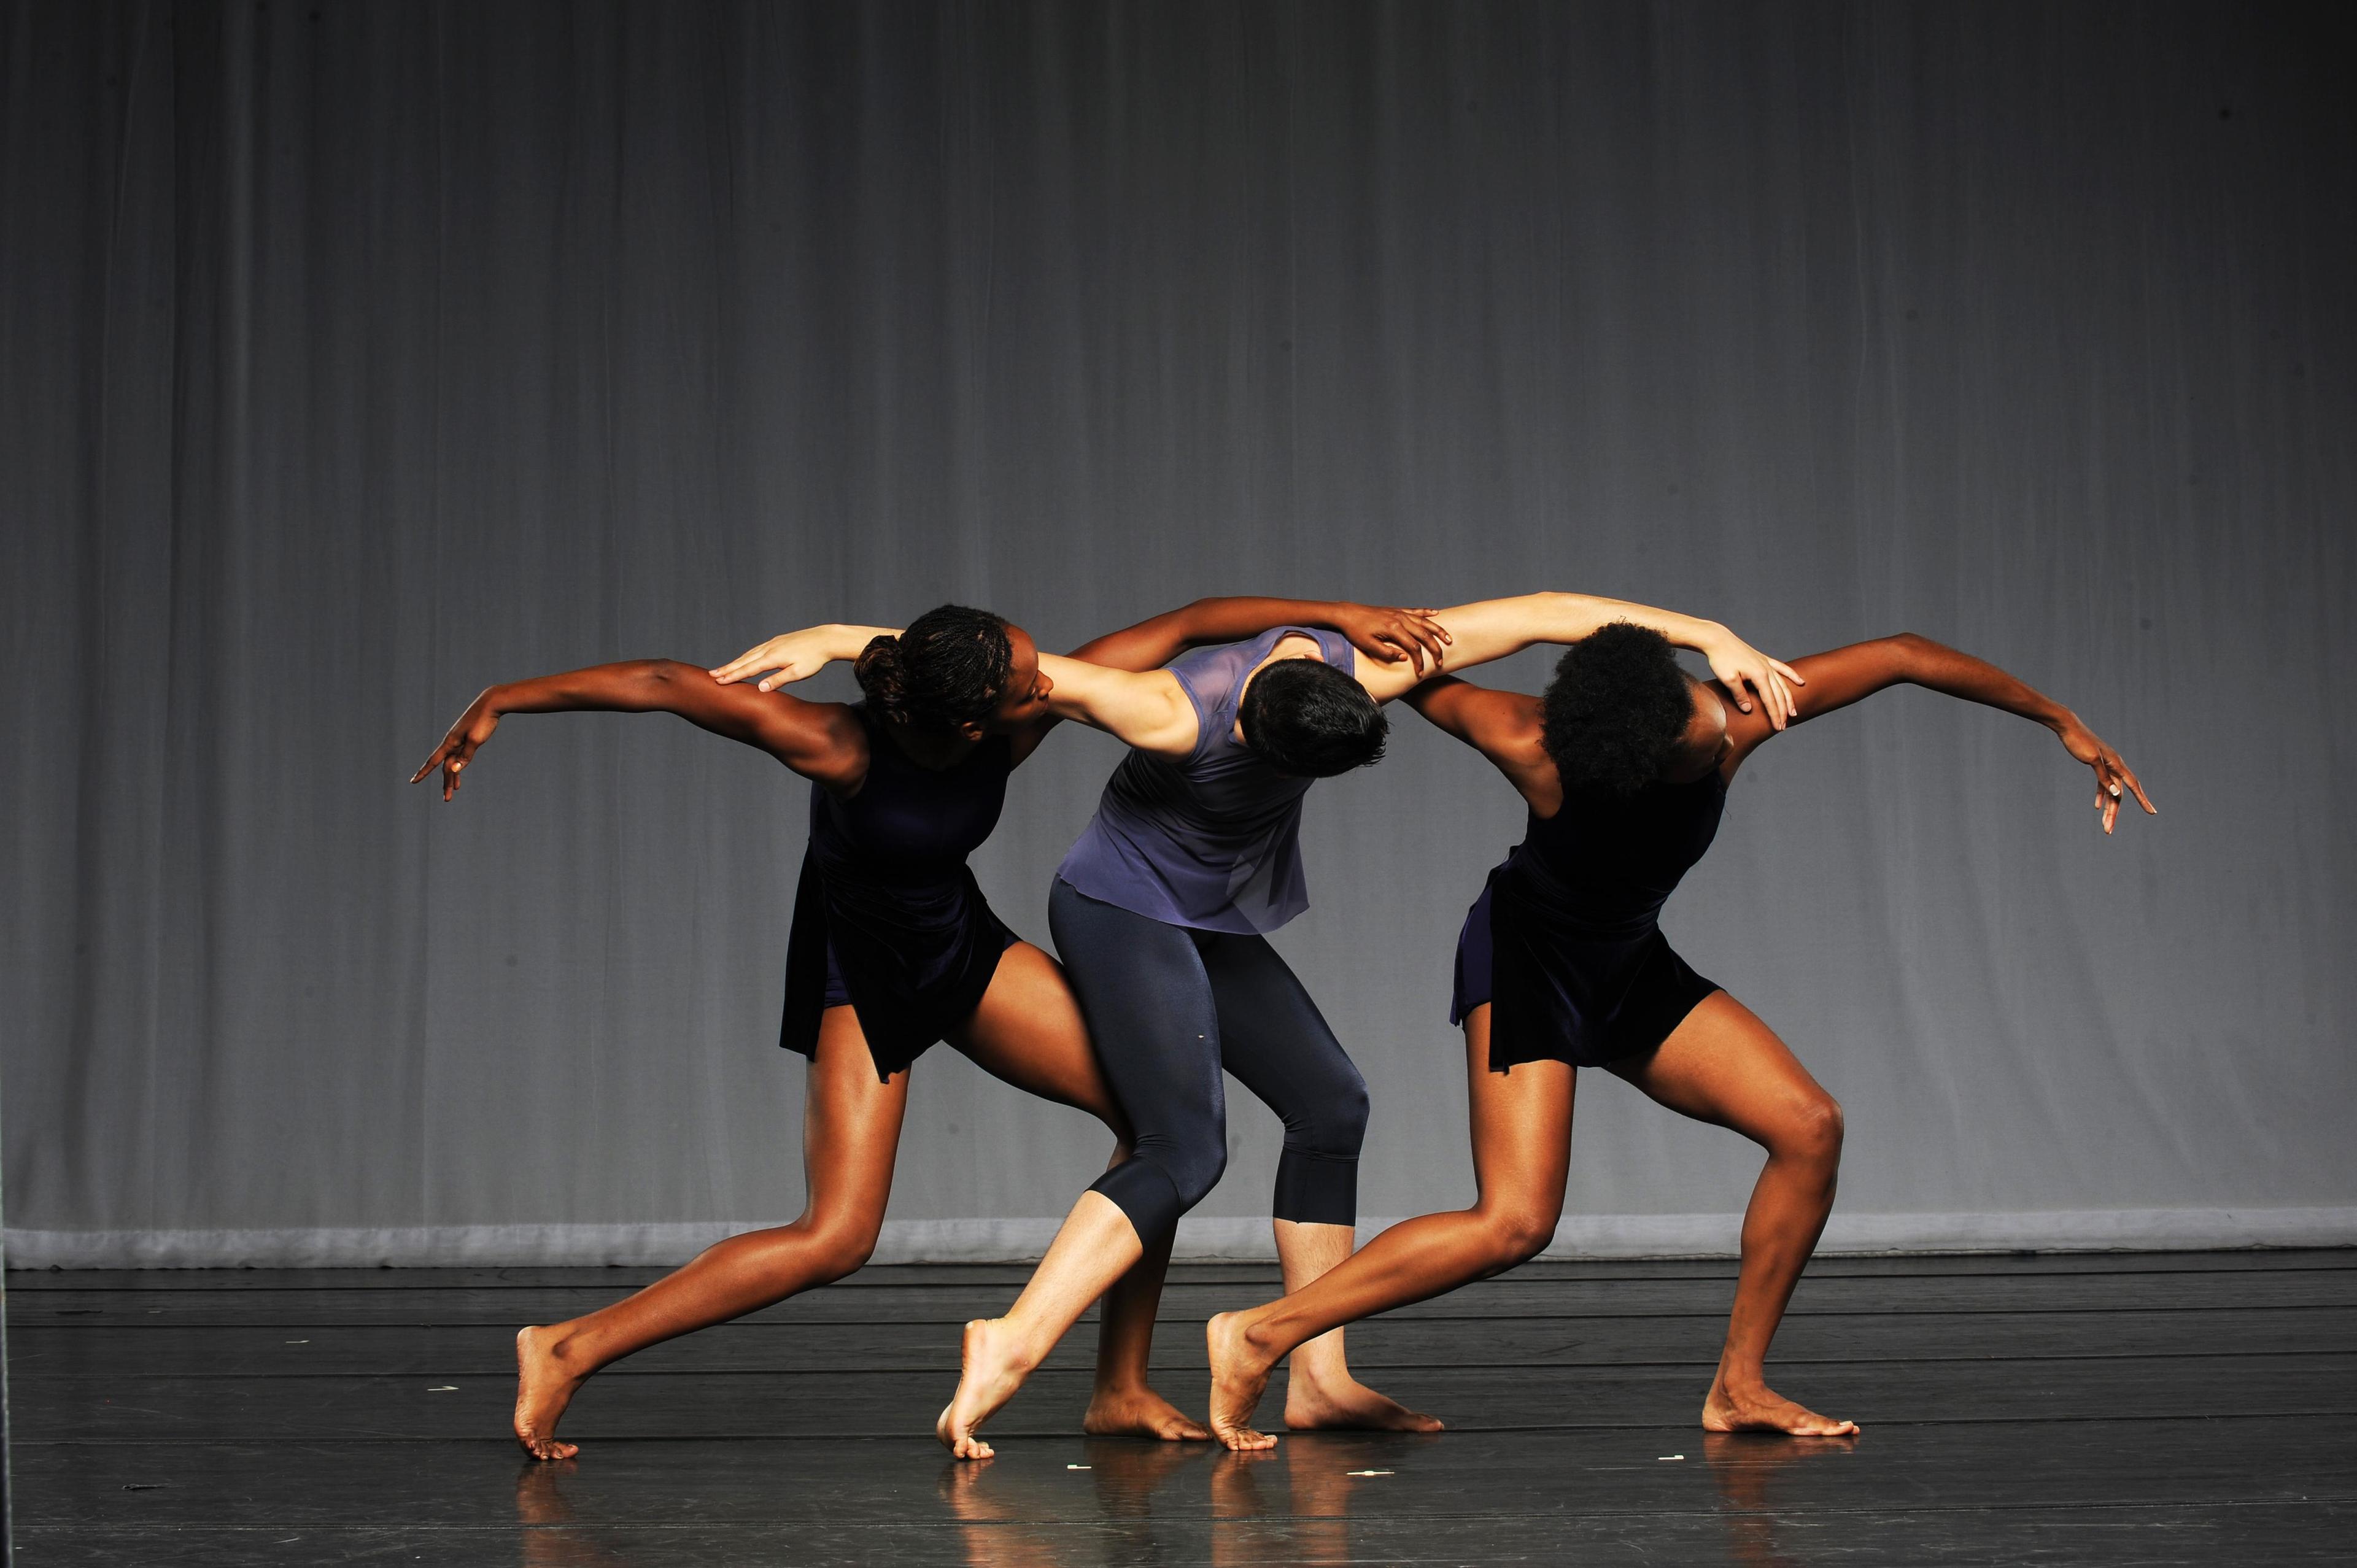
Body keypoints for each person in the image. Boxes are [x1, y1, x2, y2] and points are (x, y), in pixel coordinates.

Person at [412, 595, 1451, 1459]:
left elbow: (1191, 623)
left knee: (1159, 1129)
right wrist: (503, 699)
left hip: (961, 944)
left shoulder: (1014, 707)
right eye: (1029, 684)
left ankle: (1120, 1389)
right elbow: (664, 687)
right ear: (965, 719)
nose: (1052, 686)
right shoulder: (832, 743)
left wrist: (1329, 616)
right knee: (837, 1237)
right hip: (860, 970)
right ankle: (566, 1347)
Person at [1202, 624, 2155, 1446]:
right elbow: (1415, 673)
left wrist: (2060, 721)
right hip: (1529, 961)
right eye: (1694, 751)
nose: (1719, 740)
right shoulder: (1530, 743)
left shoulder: (1735, 711)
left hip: (1626, 961)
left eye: (1709, 726)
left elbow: (1903, 655)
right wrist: (1311, 652)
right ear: (1626, 762)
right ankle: (1260, 1333)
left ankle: (1738, 1387)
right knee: (1516, 1222)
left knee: (1808, 1127)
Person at [911, 593, 1803, 1458]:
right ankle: (1014, 1337)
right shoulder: (1163, 712)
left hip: (1206, 915)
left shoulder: (1355, 670)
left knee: (1332, 1106)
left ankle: (1319, 1379)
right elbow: (1007, 665)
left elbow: (1539, 614)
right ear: (1260, 740)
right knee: (1183, 1149)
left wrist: (1705, 633)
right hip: (1119, 908)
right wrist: (847, 641)